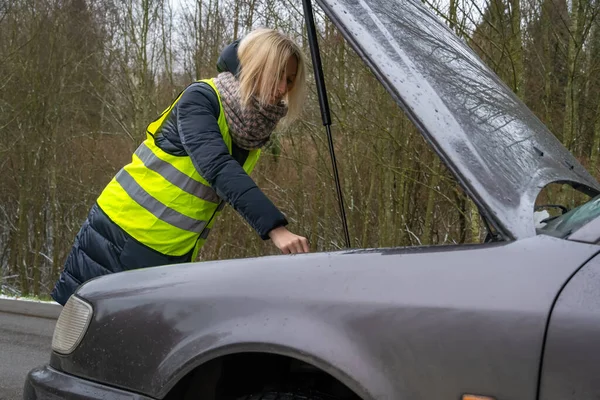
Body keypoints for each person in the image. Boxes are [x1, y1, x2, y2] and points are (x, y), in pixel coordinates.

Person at [51, 28, 309, 306]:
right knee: (95, 336)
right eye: (278, 74)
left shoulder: (252, 130)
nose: (283, 89)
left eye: (290, 80)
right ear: (257, 66)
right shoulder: (201, 99)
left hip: (173, 250)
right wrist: (275, 228)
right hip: (123, 235)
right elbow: (218, 167)